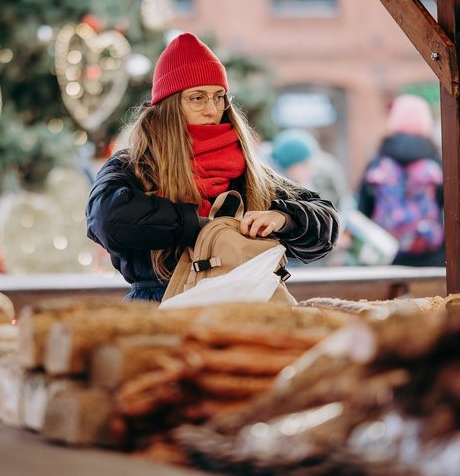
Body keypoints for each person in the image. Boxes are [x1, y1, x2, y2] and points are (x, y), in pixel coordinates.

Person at [86, 32, 339, 301]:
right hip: (159, 315)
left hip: (242, 317)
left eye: (219, 97)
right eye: (198, 98)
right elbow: (105, 219)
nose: (212, 109)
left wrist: (284, 219)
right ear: (170, 106)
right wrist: (207, 227)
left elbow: (327, 224)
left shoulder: (249, 169)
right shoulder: (134, 165)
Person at [356, 93, 445, 267]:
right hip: (431, 256)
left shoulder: (378, 164)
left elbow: (363, 211)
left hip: (387, 256)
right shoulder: (436, 164)